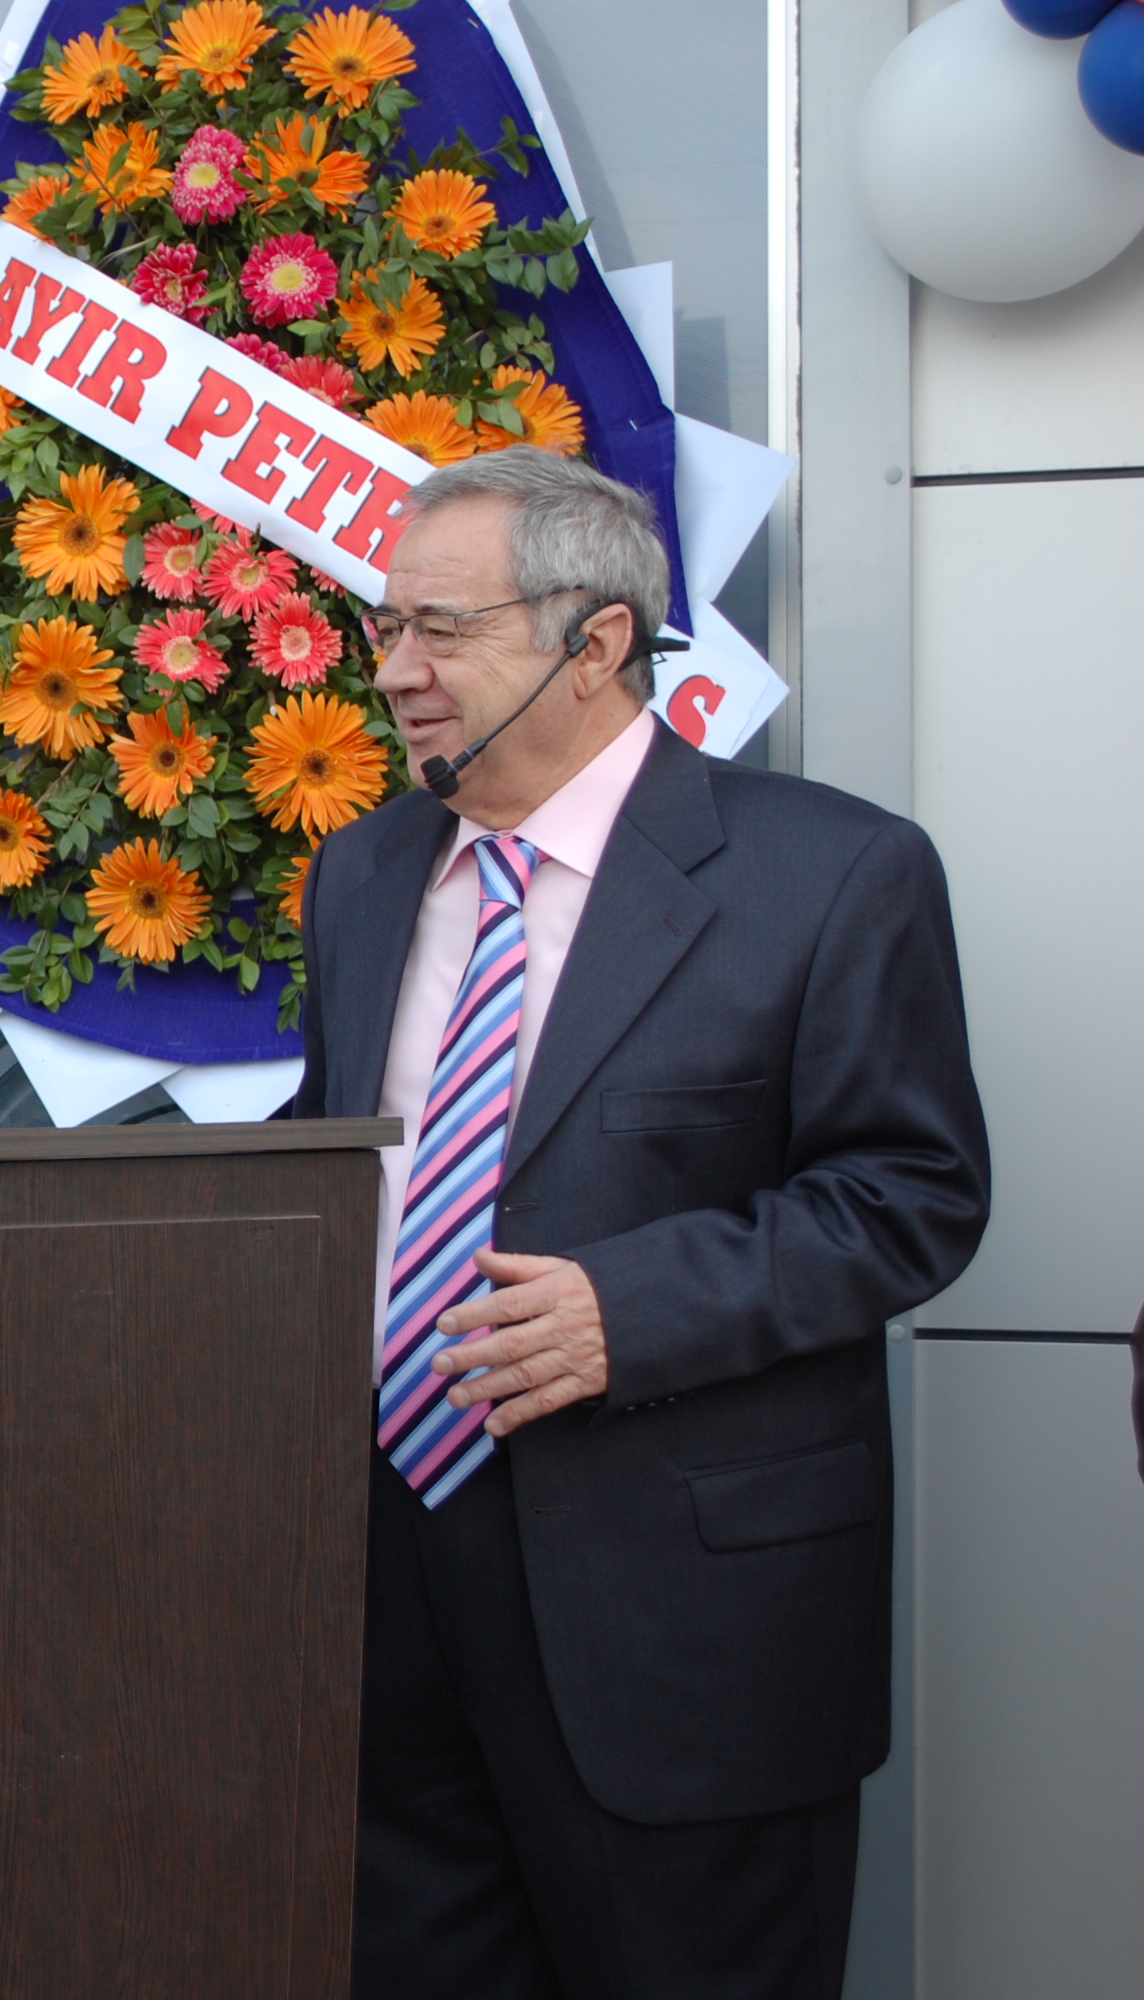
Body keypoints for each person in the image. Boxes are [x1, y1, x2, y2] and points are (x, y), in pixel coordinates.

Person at [287, 446, 989, 1998]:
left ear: (594, 642)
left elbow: (912, 1193)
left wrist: (634, 1310)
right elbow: (340, 1152)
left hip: (684, 1621)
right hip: (391, 1595)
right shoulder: (365, 869)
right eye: (387, 627)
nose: (393, 672)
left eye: (442, 630)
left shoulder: (834, 872)